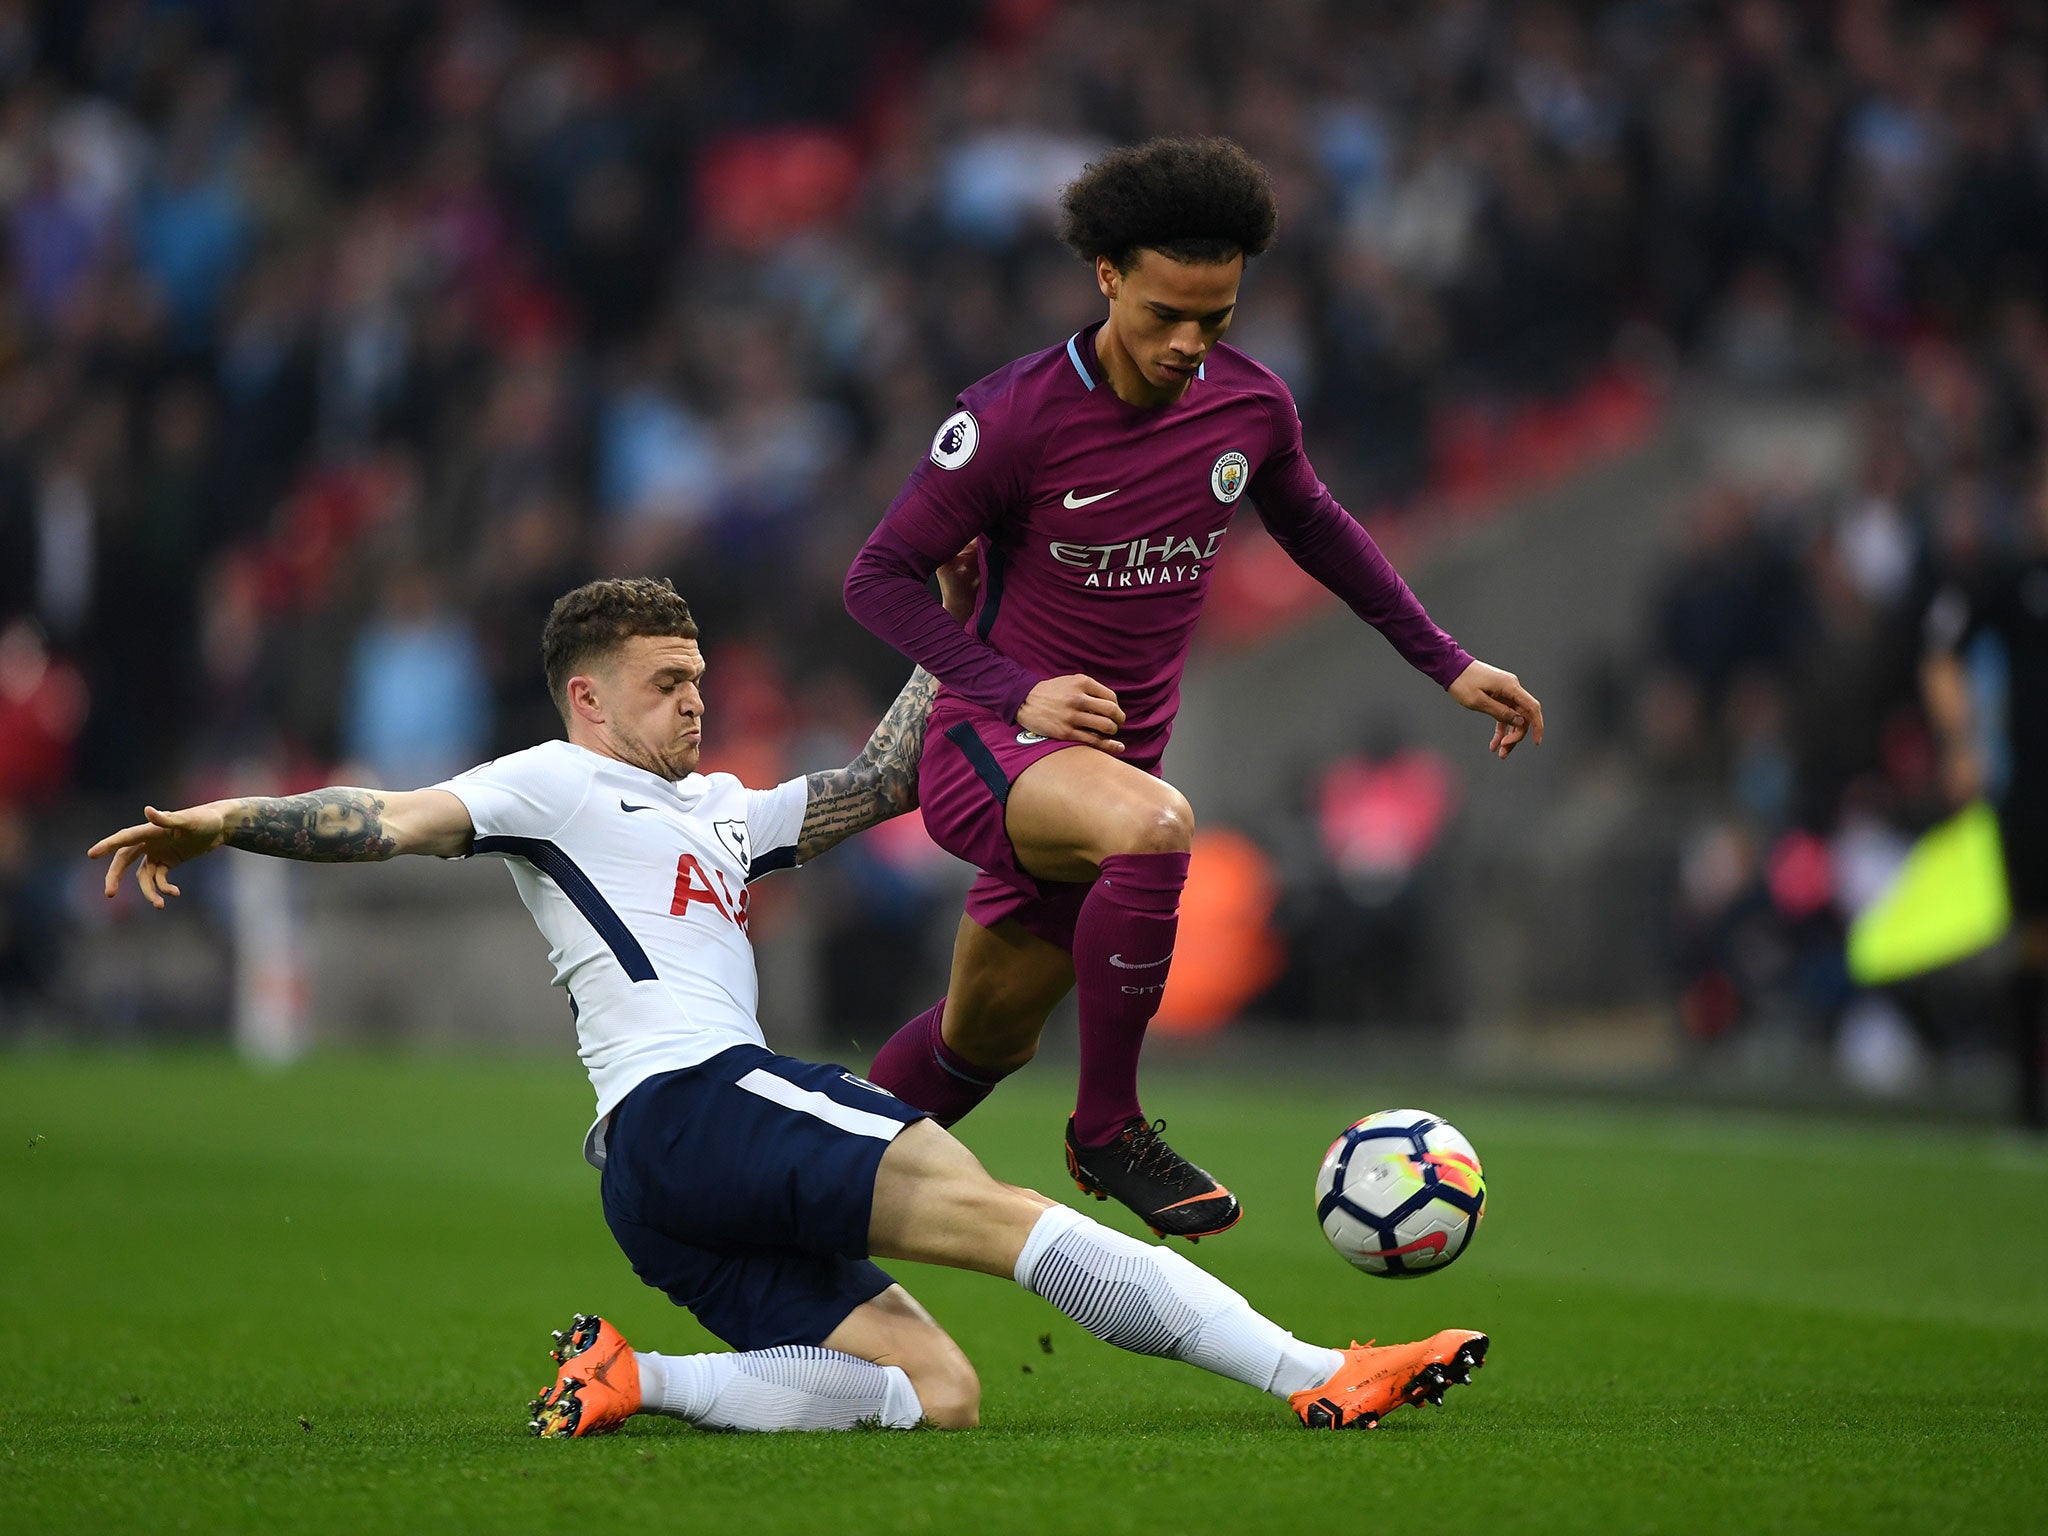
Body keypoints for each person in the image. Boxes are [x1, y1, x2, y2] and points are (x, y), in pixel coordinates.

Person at [87, 575, 1489, 1437]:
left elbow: (881, 780)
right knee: (1006, 1217)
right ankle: (1319, 1370)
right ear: (588, 698)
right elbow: (381, 817)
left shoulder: (715, 810)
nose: (698, 701)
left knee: (935, 1393)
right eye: (666, 684)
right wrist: (227, 820)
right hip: (699, 1098)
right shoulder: (552, 784)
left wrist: (960, 624)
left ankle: (643, 1381)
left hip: (654, 1177)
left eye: (701, 677)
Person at [845, 137, 1544, 1239]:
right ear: (1107, 276)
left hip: (1104, 768)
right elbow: (873, 579)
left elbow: (1319, 528)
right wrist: (1015, 692)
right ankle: (1107, 1127)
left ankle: (798, 1172)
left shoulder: (1249, 409)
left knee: (979, 1039)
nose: (1187, 344)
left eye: (1213, 318)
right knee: (1158, 831)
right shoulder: (1013, 415)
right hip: (994, 743)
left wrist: (1447, 663)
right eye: (1165, 312)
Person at [1923, 467, 2048, 1131]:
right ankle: (2028, 1099)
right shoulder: (2014, 578)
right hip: (2032, 792)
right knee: (2032, 937)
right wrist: (1960, 744)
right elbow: (1943, 652)